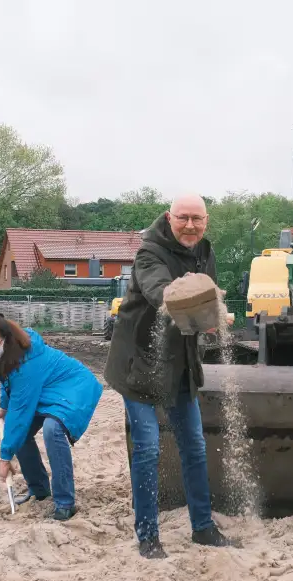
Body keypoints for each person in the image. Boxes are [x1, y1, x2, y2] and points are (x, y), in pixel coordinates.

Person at [104, 193, 240, 559]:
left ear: (206, 221)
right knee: (147, 449)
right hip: (139, 361)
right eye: (184, 218)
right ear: (170, 217)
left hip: (180, 362)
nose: (190, 226)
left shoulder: (205, 252)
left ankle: (203, 529)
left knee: (194, 447)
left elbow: (203, 305)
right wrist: (192, 300)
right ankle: (148, 536)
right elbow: (159, 292)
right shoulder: (149, 252)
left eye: (197, 219)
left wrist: (211, 317)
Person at [0, 315, 102, 521]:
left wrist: (4, 458)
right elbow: (6, 378)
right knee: (22, 434)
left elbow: (20, 413)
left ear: (6, 340)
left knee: (52, 430)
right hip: (45, 389)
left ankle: (65, 502)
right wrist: (4, 407)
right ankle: (39, 490)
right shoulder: (9, 355)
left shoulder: (28, 361)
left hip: (75, 387)